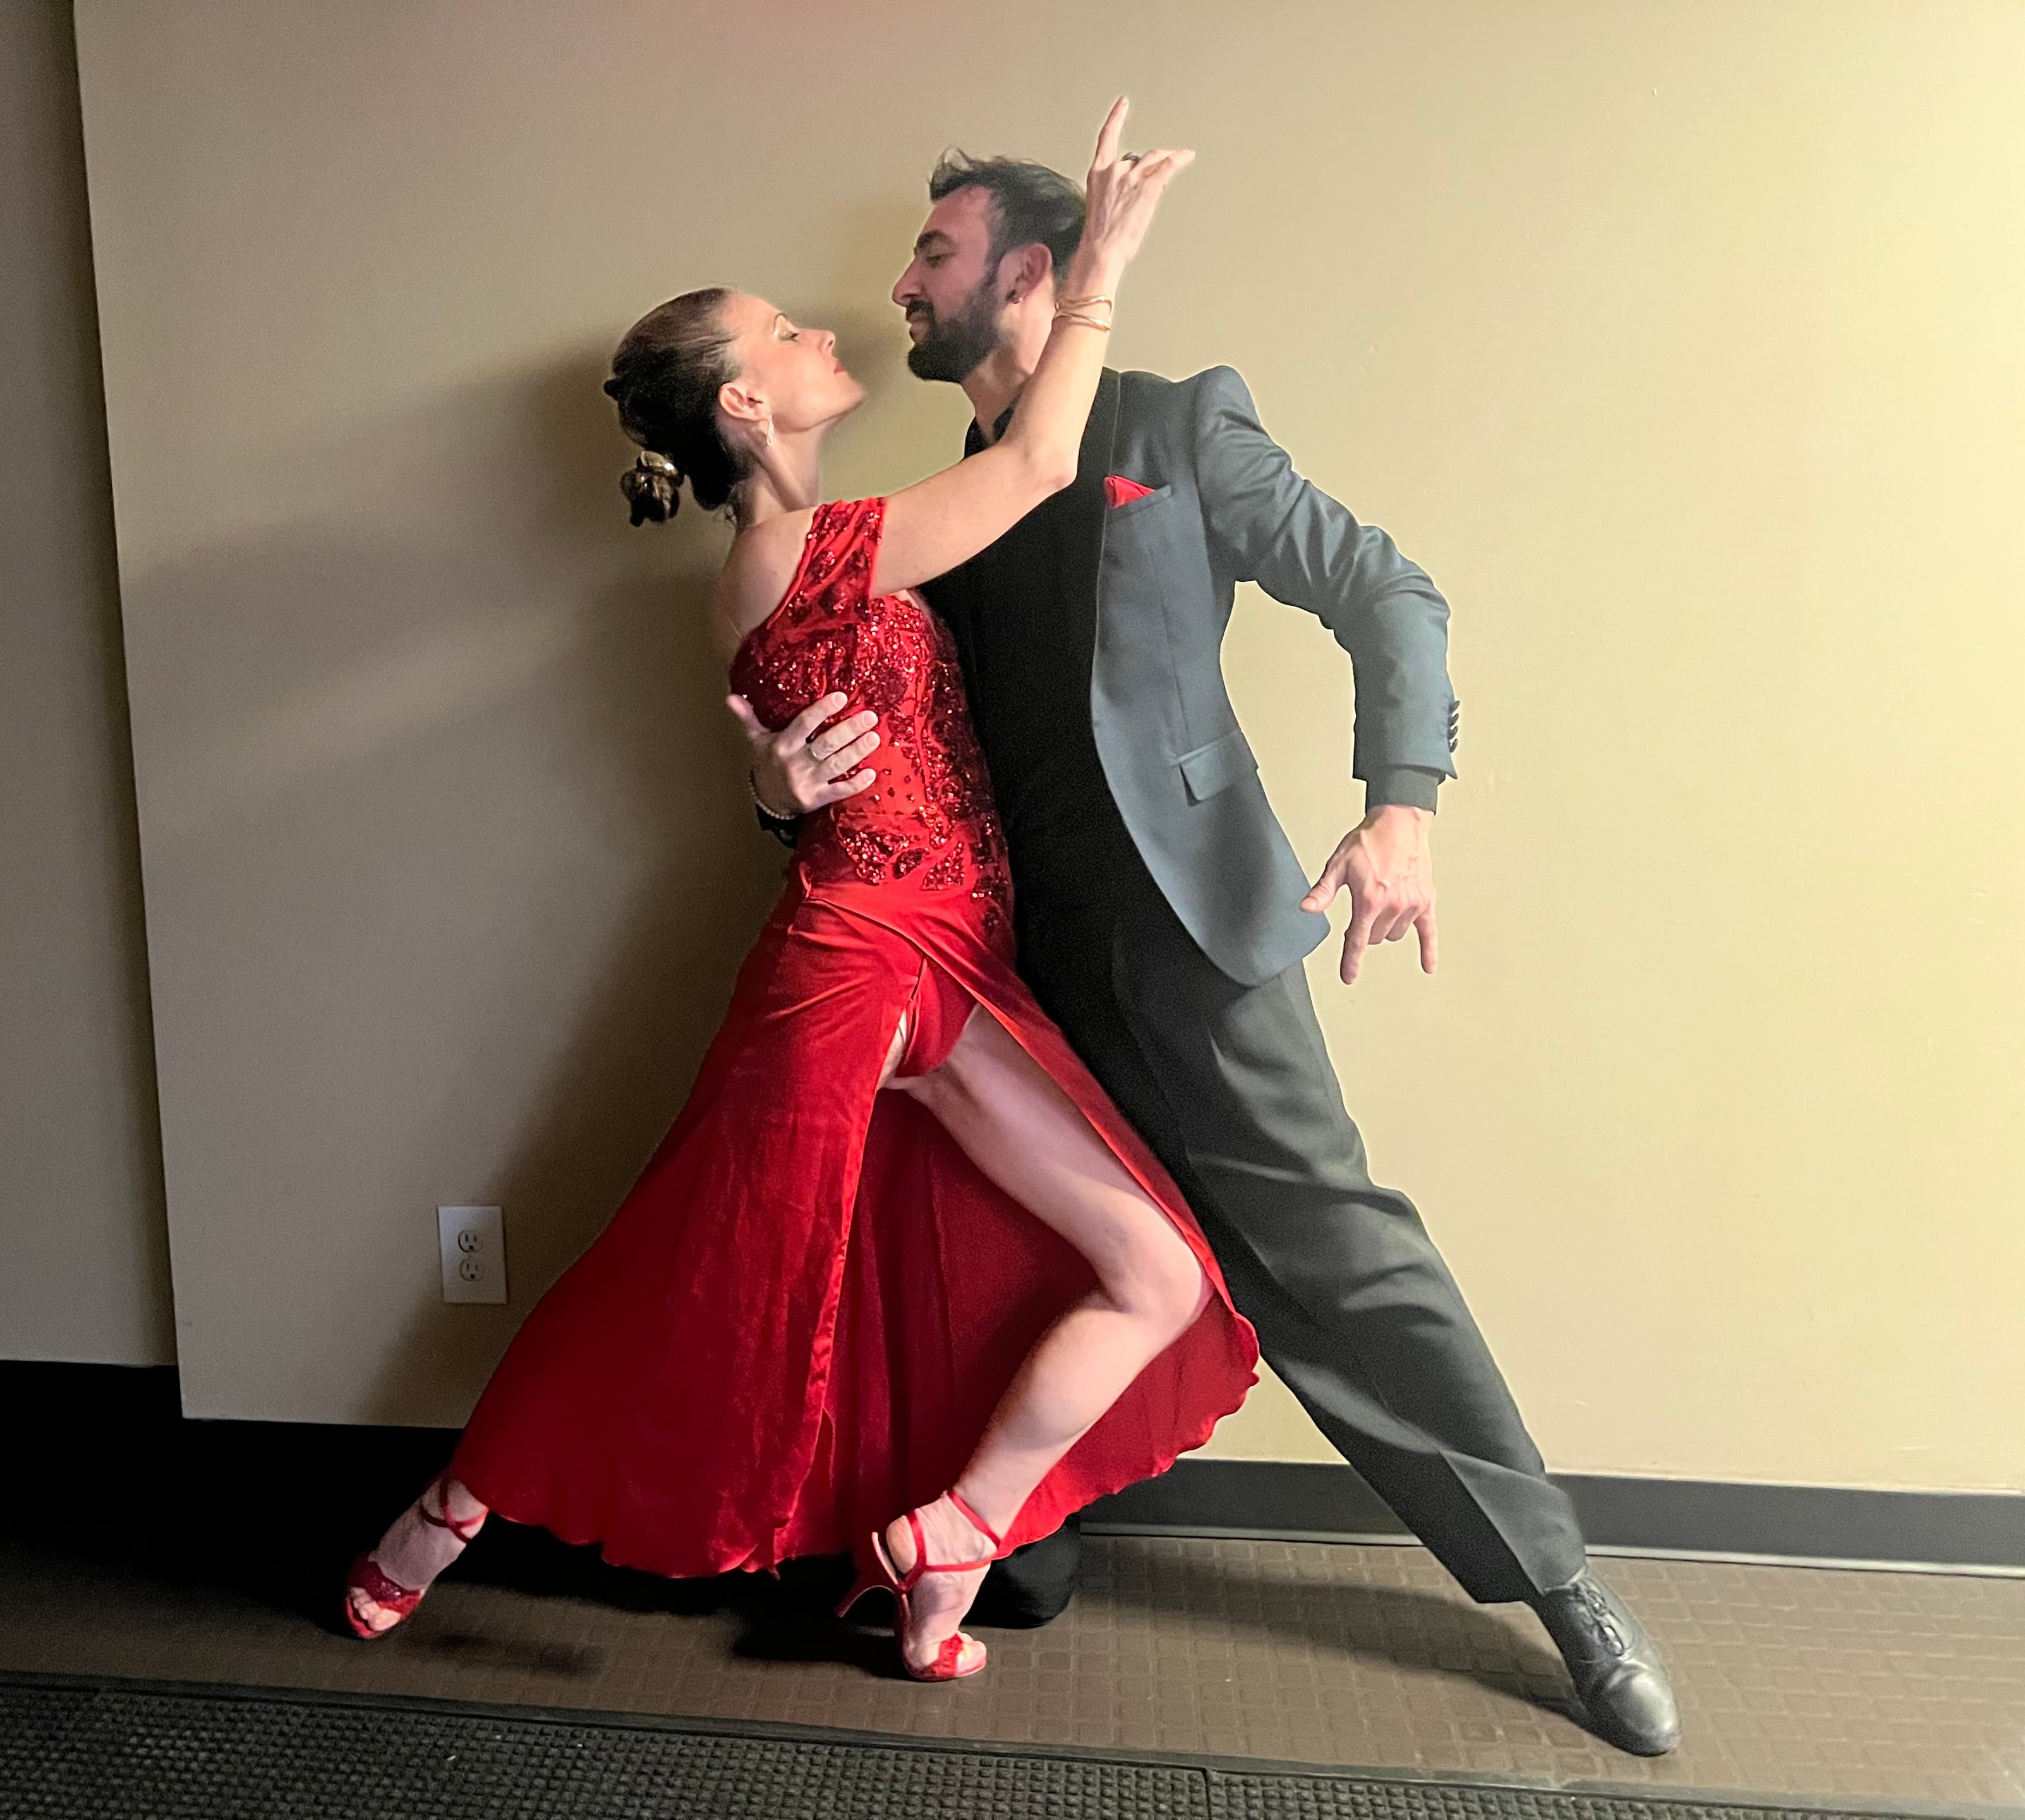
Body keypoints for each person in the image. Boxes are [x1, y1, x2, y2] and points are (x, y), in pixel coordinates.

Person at [737, 150, 1681, 1754]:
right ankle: (992, 1549)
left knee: (1343, 1266)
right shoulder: (948, 502)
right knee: (1037, 1267)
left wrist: (1404, 808)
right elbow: (860, 743)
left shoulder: (1174, 426)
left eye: (935, 251)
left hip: (1201, 946)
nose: (902, 283)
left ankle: (1562, 1584)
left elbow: (1391, 591)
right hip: (1014, 976)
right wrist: (777, 798)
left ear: (1031, 273)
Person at [342, 101, 1260, 1685]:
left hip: (950, 964)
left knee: (1162, 1276)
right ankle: (436, 1517)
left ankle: (951, 1540)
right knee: (693, 1273)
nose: (828, 324)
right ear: (748, 400)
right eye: (784, 329)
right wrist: (1102, 259)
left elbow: (817, 743)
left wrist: (777, 791)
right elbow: (1044, 456)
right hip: (855, 963)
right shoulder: (799, 554)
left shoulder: (832, 552)